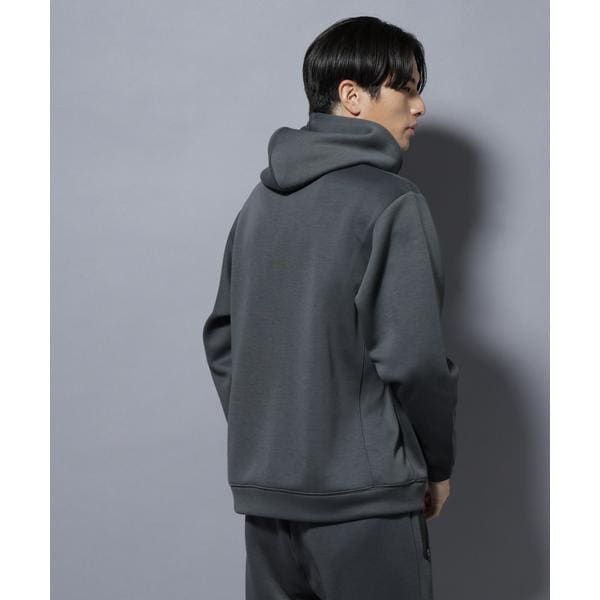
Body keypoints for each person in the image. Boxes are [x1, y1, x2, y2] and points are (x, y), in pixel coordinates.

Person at [203, 15, 460, 600]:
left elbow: (223, 338)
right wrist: (436, 466)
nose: (418, 106)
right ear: (352, 95)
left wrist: (273, 439)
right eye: (406, 88)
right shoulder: (392, 203)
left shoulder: (257, 205)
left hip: (269, 507)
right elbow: (415, 359)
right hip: (365, 505)